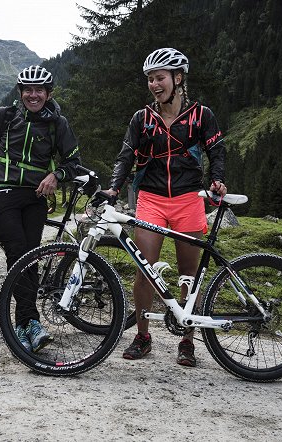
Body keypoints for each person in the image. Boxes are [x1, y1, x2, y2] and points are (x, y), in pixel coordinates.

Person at [105, 48, 226, 367]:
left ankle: (187, 340)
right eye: (150, 79)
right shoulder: (142, 119)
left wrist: (217, 180)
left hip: (189, 199)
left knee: (189, 274)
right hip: (151, 200)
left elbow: (217, 152)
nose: (154, 84)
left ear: (178, 78)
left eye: (160, 78)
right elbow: (126, 156)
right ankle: (143, 336)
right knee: (144, 270)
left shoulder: (201, 115)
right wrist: (114, 187)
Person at [0, 65, 81, 353]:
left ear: (48, 93)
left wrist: (56, 175)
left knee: (29, 256)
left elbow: (73, 161)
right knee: (18, 250)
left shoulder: (58, 124)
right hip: (1, 192)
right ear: (20, 93)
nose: (33, 95)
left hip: (35, 197)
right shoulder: (6, 116)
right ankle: (30, 323)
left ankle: (24, 326)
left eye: (39, 90)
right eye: (28, 90)